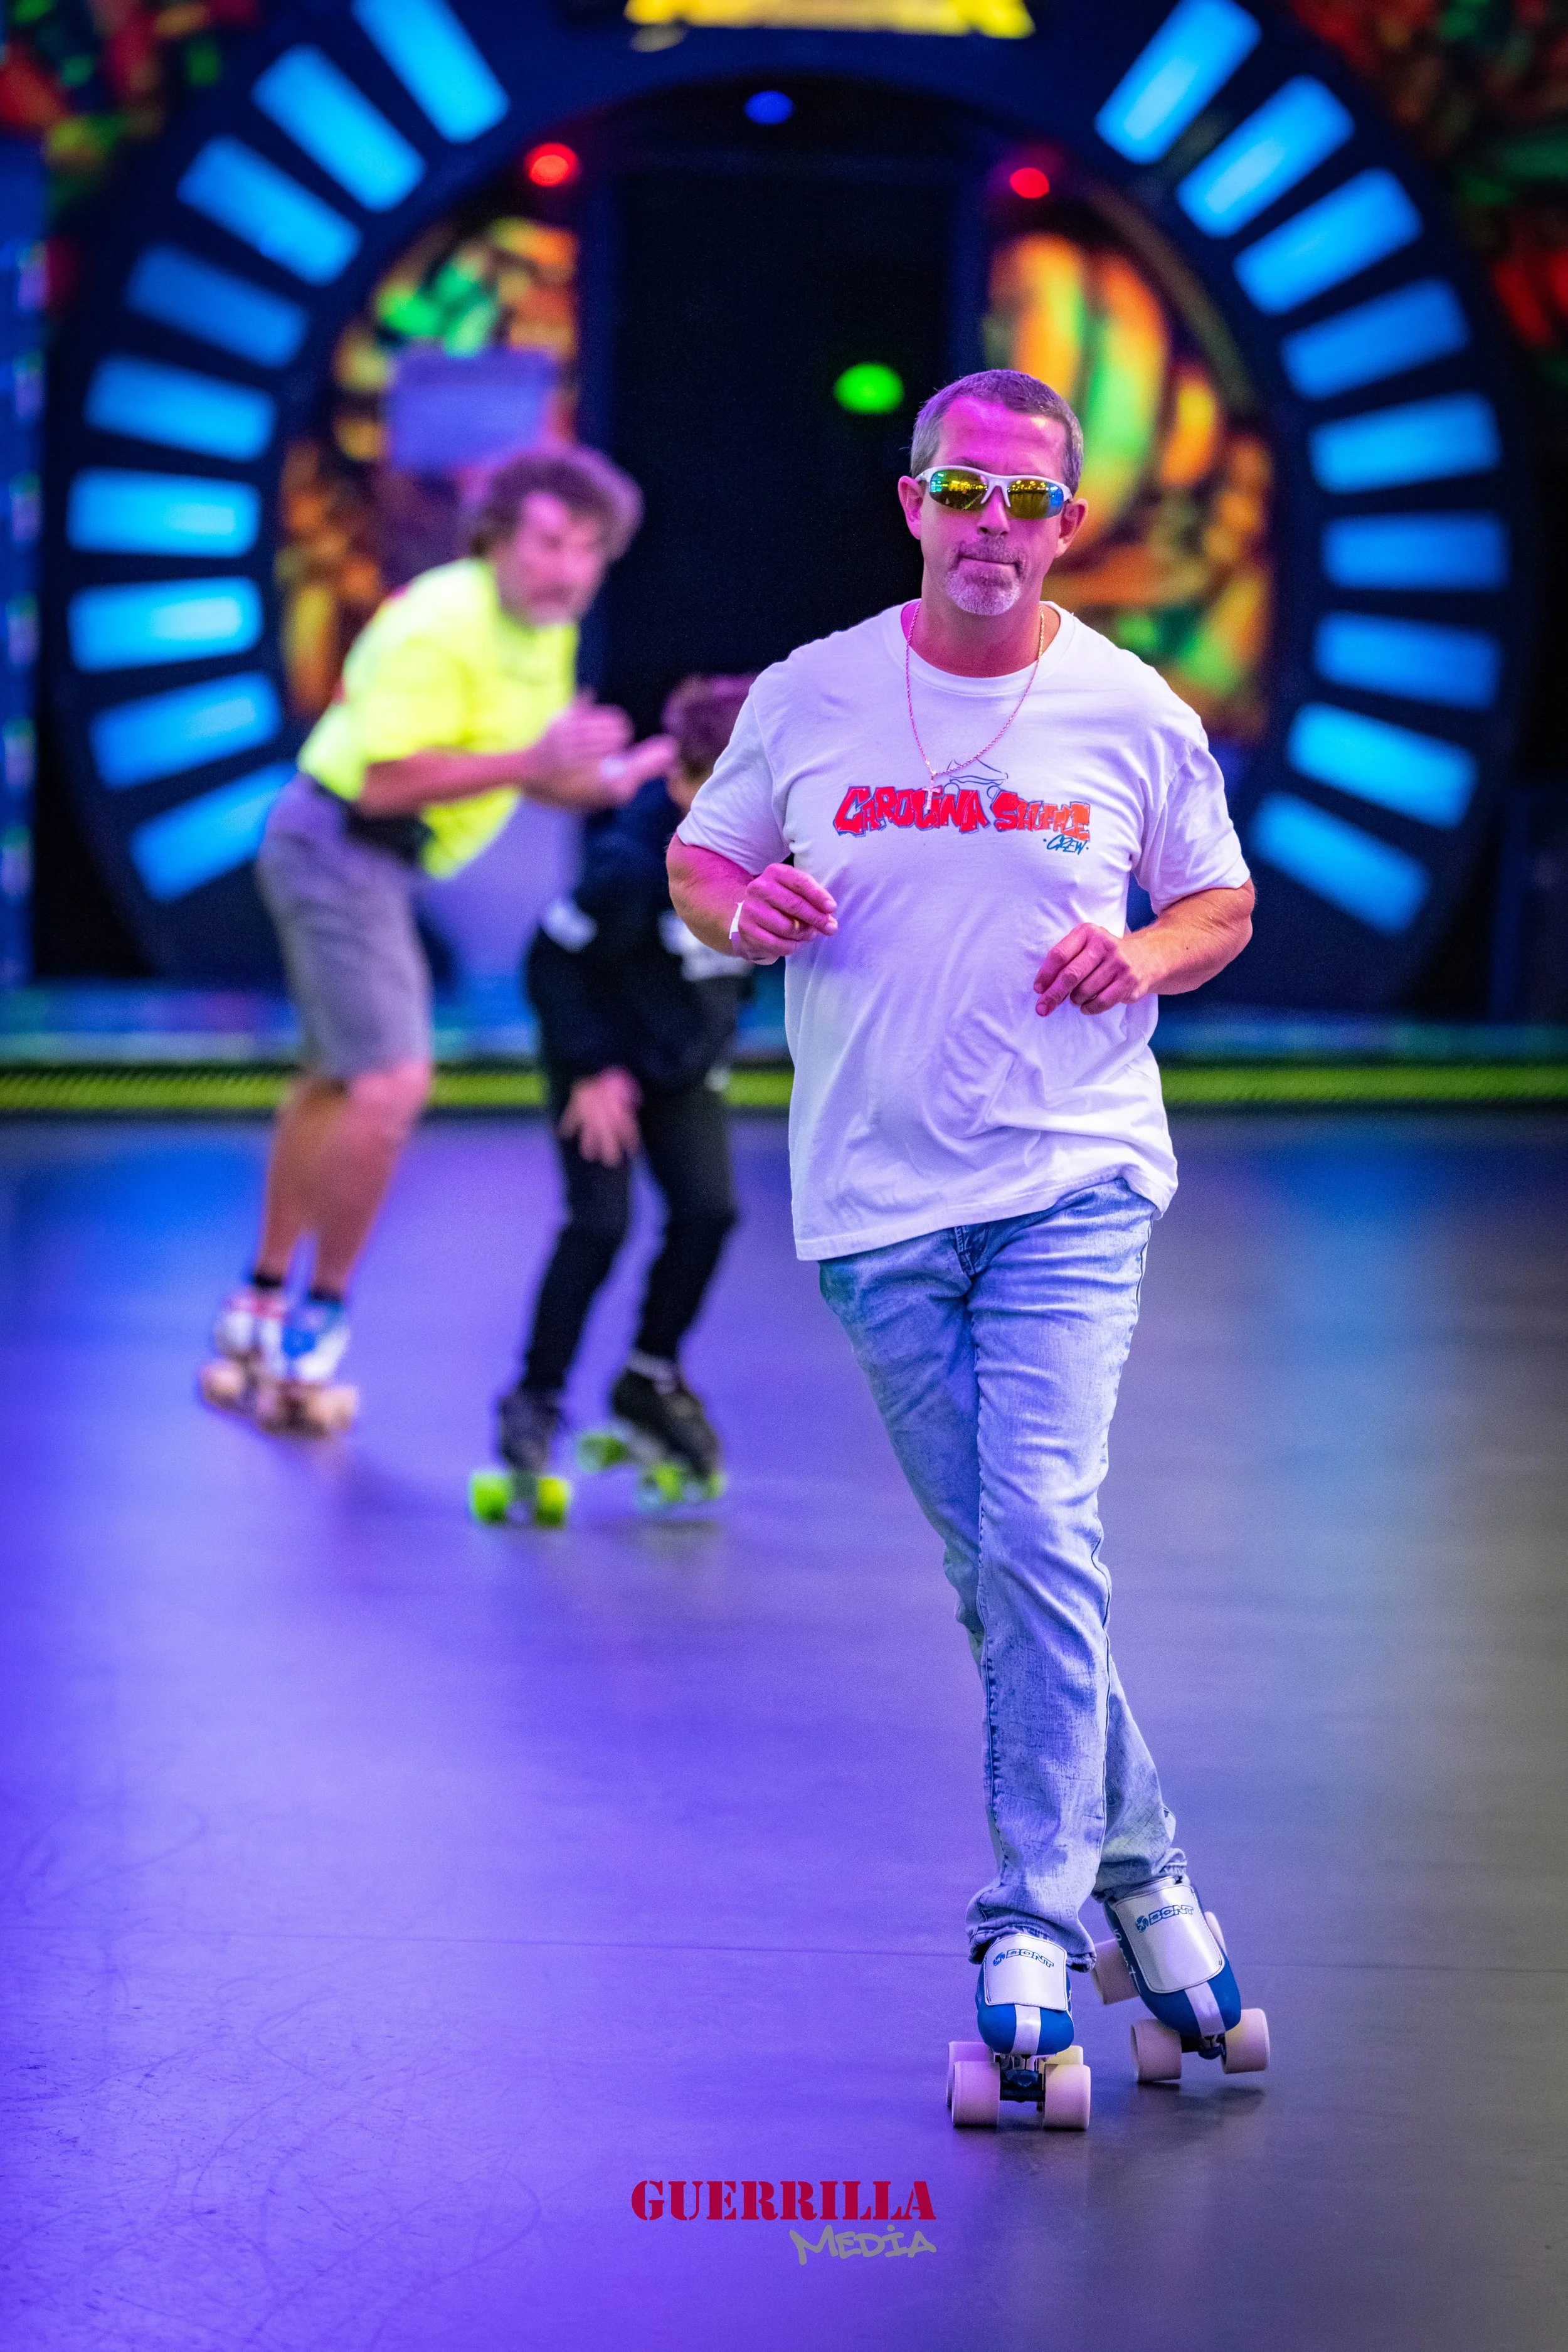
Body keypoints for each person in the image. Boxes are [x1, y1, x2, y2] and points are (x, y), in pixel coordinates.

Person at [667, 368, 1269, 2107]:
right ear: (912, 502)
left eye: (1026, 500)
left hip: (1071, 1172)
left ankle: (1027, 1918)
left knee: (1036, 1521)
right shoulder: (811, 693)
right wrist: (742, 900)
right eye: (961, 491)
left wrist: (1141, 958)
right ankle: (1146, 1879)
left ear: (1065, 522)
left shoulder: (1131, 709)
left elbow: (1218, 901)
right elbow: (702, 871)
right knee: (996, 1563)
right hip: (872, 1199)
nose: (991, 526)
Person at [206, 448, 674, 1411]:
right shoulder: (439, 624)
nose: (569, 568)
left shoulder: (544, 625)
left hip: (374, 858)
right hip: (337, 843)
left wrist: (617, 777)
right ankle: (314, 1322)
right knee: (391, 1082)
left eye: (589, 550)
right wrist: (529, 757)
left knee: (337, 1077)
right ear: (496, 538)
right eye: (549, 543)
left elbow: (535, 768)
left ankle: (256, 1301)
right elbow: (383, 776)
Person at [493, 674, 754, 1494]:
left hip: (683, 1065)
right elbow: (550, 960)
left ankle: (649, 1375)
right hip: (601, 1063)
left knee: (709, 1213)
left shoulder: (758, 847)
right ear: (685, 776)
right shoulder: (629, 866)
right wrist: (590, 1068)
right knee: (600, 1223)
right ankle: (535, 1395)